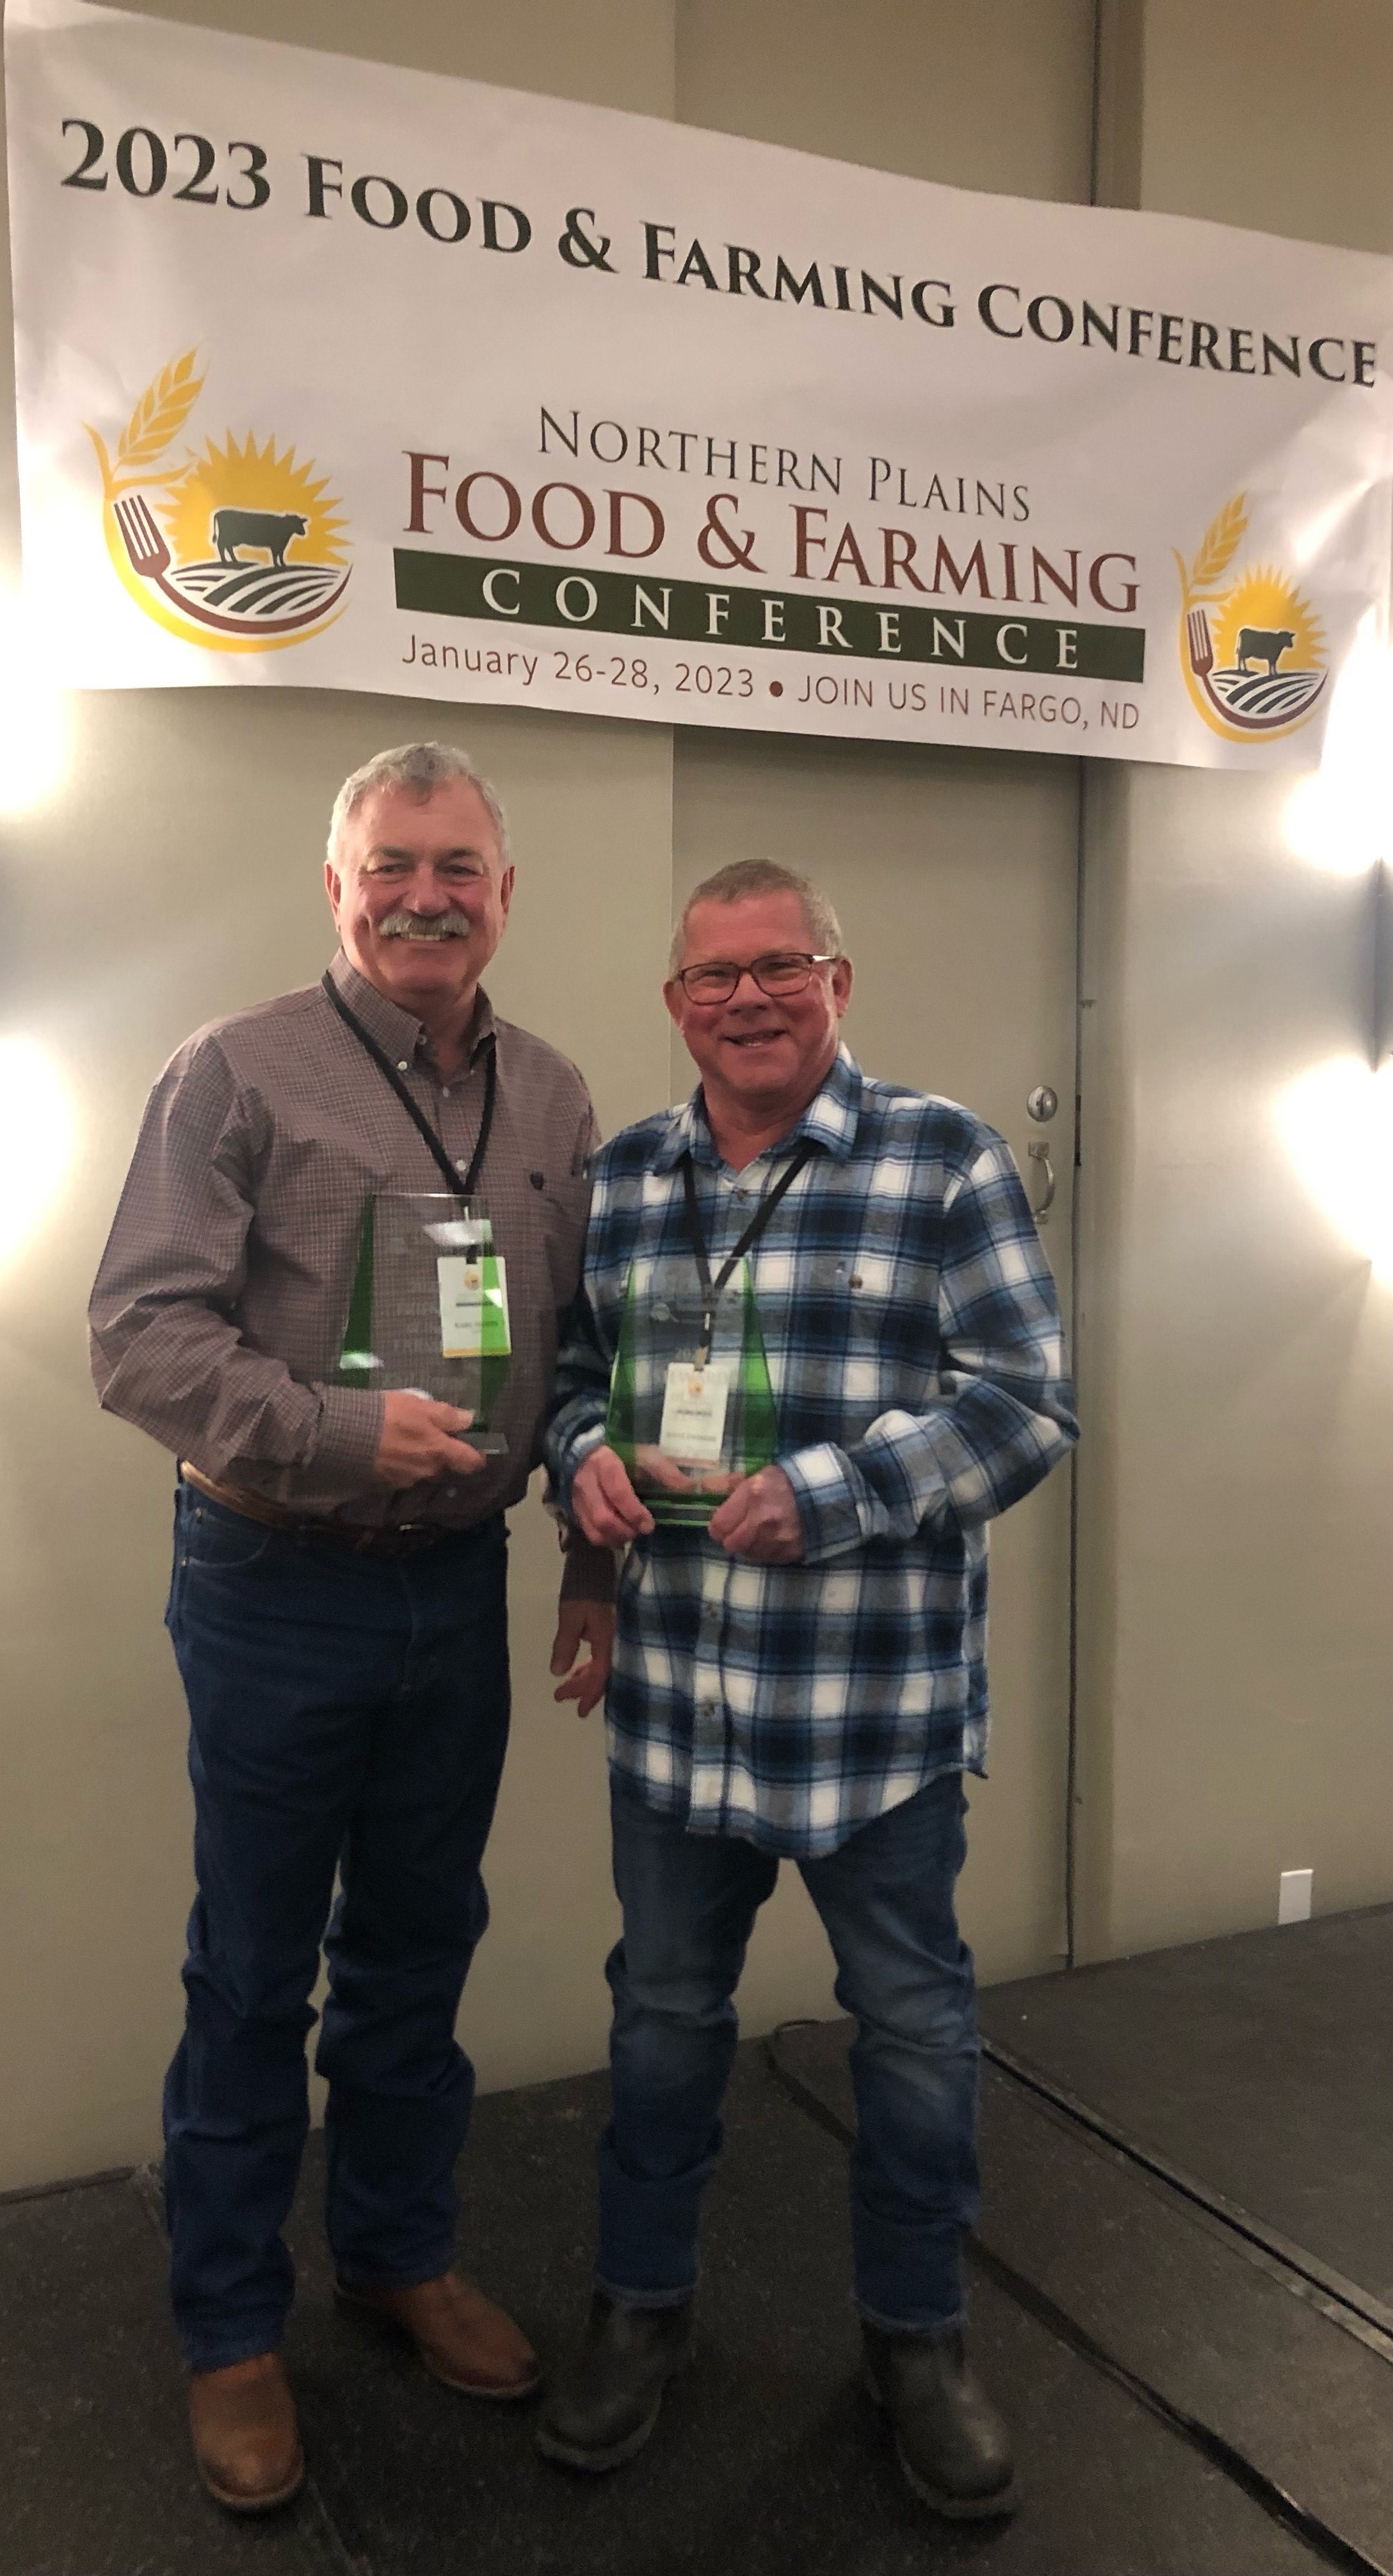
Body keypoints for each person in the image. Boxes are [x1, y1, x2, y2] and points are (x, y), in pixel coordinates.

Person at [89, 741, 613, 2513]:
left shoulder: (551, 1097)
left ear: (504, 894)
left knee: (418, 1942)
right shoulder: (232, 1072)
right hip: (275, 1580)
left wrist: (589, 1565)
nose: (425, 895)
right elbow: (141, 1337)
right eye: (392, 864)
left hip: (454, 1587)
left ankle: (397, 2251)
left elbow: (589, 1358)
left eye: (459, 865)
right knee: (254, 1966)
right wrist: (330, 1428)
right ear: (339, 885)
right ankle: (233, 2332)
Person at [538, 858, 1077, 2518]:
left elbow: (1026, 1407)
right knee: (659, 2025)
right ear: (674, 1003)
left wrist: (837, 1494)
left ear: (837, 984)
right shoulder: (624, 1180)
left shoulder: (945, 1159)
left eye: (782, 968)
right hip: (680, 1715)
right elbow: (570, 1384)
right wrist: (584, 1468)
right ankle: (643, 2315)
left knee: (913, 2033)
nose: (749, 998)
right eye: (716, 977)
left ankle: (915, 2341)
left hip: (872, 1722)